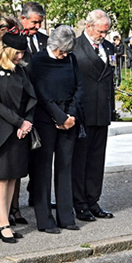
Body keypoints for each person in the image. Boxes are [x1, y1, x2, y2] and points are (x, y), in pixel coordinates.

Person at [0, 20, 37, 244]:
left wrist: (28, 122)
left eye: (23, 53)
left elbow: (31, 97)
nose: (20, 56)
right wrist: (19, 122)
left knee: (13, 175)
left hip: (20, 130)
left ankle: (6, 218)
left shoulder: (20, 68)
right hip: (2, 130)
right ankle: (2, 222)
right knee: (0, 177)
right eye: (17, 53)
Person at [28, 25, 84, 233]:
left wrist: (70, 115)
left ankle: (66, 216)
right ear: (53, 45)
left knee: (65, 167)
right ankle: (44, 219)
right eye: (61, 51)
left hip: (68, 117)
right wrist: (58, 116)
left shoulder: (71, 59)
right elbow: (40, 92)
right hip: (46, 119)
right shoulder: (39, 61)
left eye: (67, 52)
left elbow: (79, 87)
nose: (63, 56)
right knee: (43, 169)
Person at [73, 10, 116, 223]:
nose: (104, 36)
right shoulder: (75, 46)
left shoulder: (108, 47)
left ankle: (93, 200)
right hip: (83, 112)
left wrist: (112, 108)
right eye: (101, 31)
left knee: (97, 160)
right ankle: (79, 203)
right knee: (81, 160)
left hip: (102, 111)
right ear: (89, 27)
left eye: (106, 32)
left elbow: (110, 80)